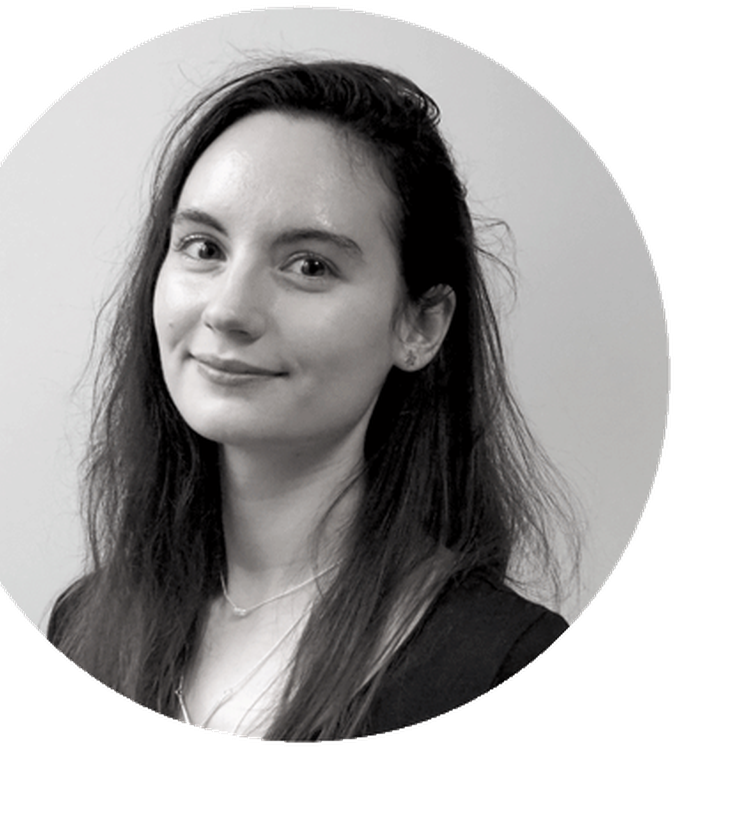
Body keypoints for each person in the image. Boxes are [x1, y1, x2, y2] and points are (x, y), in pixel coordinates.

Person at [47, 59, 580, 740]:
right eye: (203, 247)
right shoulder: (85, 623)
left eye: (309, 265)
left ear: (419, 325)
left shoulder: (500, 662)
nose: (229, 310)